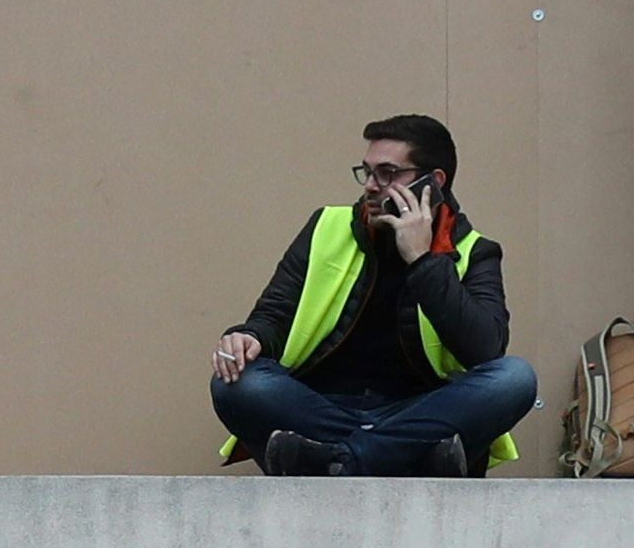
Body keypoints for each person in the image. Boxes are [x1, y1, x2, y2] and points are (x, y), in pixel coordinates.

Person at [209, 116, 534, 476]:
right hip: (319, 407)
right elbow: (274, 314)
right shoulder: (325, 227)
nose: (370, 186)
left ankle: (339, 459)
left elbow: (485, 350)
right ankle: (391, 454)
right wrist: (248, 338)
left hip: (418, 411)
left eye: (388, 173)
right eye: (366, 172)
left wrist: (423, 261)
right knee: (239, 382)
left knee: (514, 378)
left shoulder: (476, 251)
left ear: (433, 182)